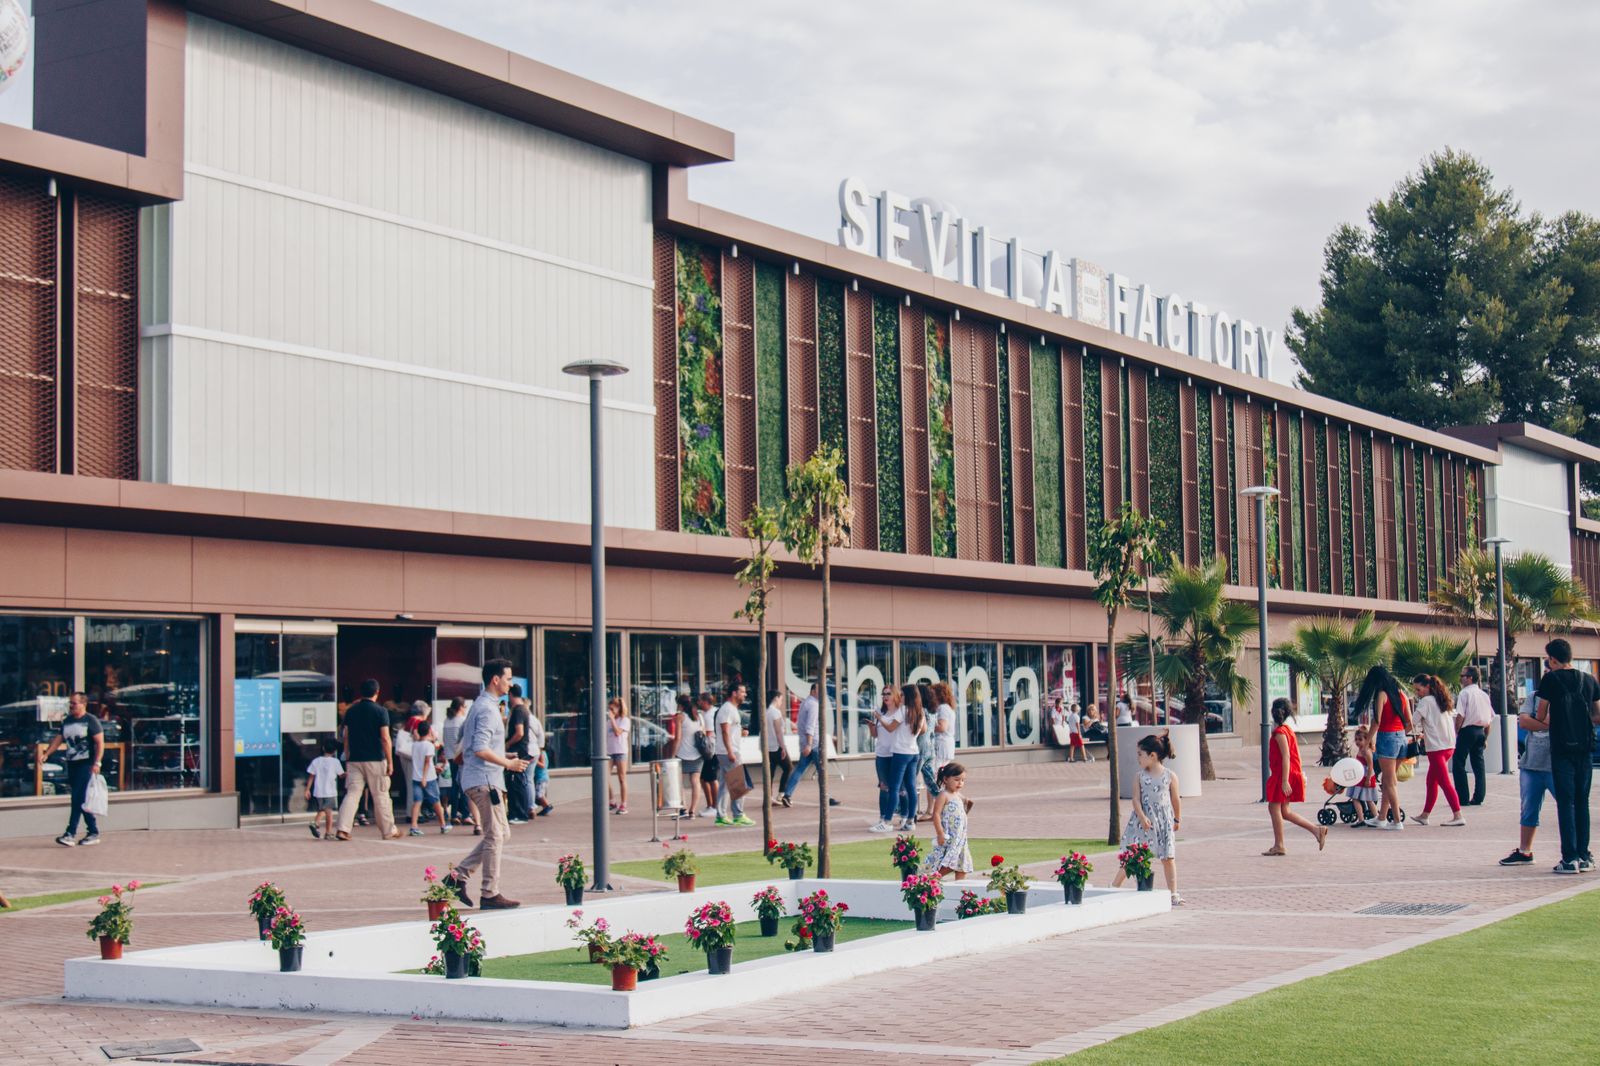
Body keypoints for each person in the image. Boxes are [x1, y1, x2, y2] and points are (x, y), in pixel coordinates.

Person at [443, 659, 529, 910]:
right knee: (495, 835)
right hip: (485, 780)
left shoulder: (482, 706)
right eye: (508, 678)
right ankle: (489, 893)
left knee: (502, 833)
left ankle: (457, 877)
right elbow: (479, 748)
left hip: (483, 778)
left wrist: (505, 756)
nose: (510, 683)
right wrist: (507, 763)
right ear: (495, 680)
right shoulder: (488, 709)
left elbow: (473, 745)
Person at [1532, 638, 1600, 874]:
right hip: (1585, 748)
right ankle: (1585, 855)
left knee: (1566, 803)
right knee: (1582, 801)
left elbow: (1541, 714)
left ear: (1552, 659)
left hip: (1561, 748)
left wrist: (1559, 718)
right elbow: (1597, 714)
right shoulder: (1589, 680)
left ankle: (1569, 858)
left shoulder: (1550, 679)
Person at [1113, 733, 1184, 902]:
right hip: (1143, 822)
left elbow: (1175, 799)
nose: (1138, 758)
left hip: (1163, 822)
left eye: (1140, 754)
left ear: (1152, 755)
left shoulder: (1170, 776)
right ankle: (1114, 886)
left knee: (1168, 857)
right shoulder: (1139, 776)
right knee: (1134, 856)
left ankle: (1173, 893)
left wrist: (1177, 819)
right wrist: (1142, 816)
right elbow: (1136, 799)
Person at [334, 679, 399, 841]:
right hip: (376, 759)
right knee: (381, 795)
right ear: (377, 692)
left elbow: (346, 736)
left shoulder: (351, 711)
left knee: (352, 794)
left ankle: (343, 828)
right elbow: (385, 738)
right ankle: (388, 831)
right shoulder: (381, 711)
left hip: (355, 759)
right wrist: (390, 761)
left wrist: (348, 757)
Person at [1261, 699, 1326, 855]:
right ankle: (1317, 830)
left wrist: (1284, 781)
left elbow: (1286, 756)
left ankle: (1279, 844)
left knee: (1274, 807)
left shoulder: (1280, 733)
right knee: (1285, 811)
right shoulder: (1288, 730)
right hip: (1288, 773)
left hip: (1283, 775)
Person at [1502, 690, 1558, 866]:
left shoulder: (1563, 696)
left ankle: (1576, 851)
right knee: (1528, 809)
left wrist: (1536, 722)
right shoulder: (1534, 696)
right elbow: (1524, 722)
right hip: (1531, 764)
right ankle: (1525, 851)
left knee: (1569, 808)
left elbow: (1557, 723)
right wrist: (1546, 723)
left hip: (1556, 765)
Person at [1352, 664, 1411, 830]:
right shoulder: (1401, 695)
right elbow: (1409, 723)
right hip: (1401, 738)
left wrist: (1367, 743)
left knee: (1389, 782)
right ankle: (1382, 817)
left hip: (1388, 738)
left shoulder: (1381, 695)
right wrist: (1400, 734)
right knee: (1387, 780)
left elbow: (1376, 721)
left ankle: (1397, 820)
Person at [42, 692, 104, 847]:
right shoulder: (67, 721)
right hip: (72, 763)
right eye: (70, 703)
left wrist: (97, 763)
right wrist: (47, 754)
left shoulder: (91, 720)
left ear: (83, 704)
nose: (71, 706)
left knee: (77, 798)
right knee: (81, 799)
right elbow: (59, 739)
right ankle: (93, 831)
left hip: (86, 764)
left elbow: (100, 743)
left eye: (74, 703)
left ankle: (70, 833)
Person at [1408, 674, 1465, 827]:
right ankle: (1425, 815)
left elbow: (1412, 722)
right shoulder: (1442, 700)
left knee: (1444, 782)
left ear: (1427, 687)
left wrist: (1398, 731)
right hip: (1448, 745)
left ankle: (1458, 814)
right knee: (1431, 780)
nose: (1417, 693)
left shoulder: (1426, 701)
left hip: (1436, 747)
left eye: (1418, 689)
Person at [714, 684, 755, 826]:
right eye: (742, 692)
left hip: (727, 751)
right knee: (738, 782)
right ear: (734, 693)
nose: (745, 695)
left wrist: (740, 732)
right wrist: (730, 751)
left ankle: (721, 815)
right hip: (729, 752)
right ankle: (738, 814)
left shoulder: (731, 709)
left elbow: (729, 731)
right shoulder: (726, 710)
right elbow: (724, 731)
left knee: (725, 784)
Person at [925, 761, 973, 879]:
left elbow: (965, 807)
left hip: (960, 837)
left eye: (962, 780)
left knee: (962, 867)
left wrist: (969, 804)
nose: (960, 783)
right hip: (950, 837)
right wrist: (940, 833)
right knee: (948, 864)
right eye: (957, 780)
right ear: (946, 779)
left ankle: (961, 893)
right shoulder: (943, 795)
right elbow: (936, 814)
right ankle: (929, 881)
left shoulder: (958, 795)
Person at [1453, 665, 1493, 806]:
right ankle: (1479, 796)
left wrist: (1456, 731)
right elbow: (1489, 718)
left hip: (1467, 730)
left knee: (1458, 763)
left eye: (1462, 676)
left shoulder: (1465, 693)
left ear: (1469, 678)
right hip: (1480, 731)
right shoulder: (1484, 695)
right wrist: (1485, 737)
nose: (1460, 679)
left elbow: (1460, 715)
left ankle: (1463, 798)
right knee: (1478, 765)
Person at [408, 719, 450, 836]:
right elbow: (427, 762)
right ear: (429, 731)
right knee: (436, 801)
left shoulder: (414, 745)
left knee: (417, 801)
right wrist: (425, 777)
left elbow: (422, 761)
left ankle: (414, 826)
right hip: (429, 778)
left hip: (416, 777)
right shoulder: (429, 746)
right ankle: (442, 825)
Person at [441, 697, 478, 833]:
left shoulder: (447, 721)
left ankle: (454, 814)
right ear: (461, 707)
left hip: (450, 756)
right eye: (465, 707)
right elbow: (464, 741)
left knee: (454, 786)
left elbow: (445, 740)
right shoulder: (462, 721)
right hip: (460, 757)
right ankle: (466, 814)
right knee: (464, 785)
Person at [781, 684, 821, 807]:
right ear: (814, 690)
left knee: (799, 769)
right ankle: (825, 796)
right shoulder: (813, 705)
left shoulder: (805, 702)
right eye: (820, 690)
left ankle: (787, 794)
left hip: (806, 742)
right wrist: (809, 744)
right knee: (822, 770)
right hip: (813, 744)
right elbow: (810, 725)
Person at [868, 687, 899, 832]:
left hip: (895, 753)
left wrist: (880, 719)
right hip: (881, 754)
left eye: (888, 693)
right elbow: (875, 734)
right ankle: (883, 818)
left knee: (899, 787)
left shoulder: (899, 712)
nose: (885, 696)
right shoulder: (880, 712)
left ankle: (904, 816)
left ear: (895, 695)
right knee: (883, 786)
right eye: (883, 694)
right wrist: (871, 726)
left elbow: (892, 729)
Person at [672, 693, 706, 817]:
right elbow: (703, 733)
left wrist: (673, 755)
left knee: (679, 782)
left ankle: (683, 809)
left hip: (682, 754)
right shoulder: (699, 716)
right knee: (695, 782)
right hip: (697, 754)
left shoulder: (680, 717)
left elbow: (677, 738)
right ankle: (692, 810)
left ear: (680, 705)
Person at [304, 738, 343, 839]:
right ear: (335, 751)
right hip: (330, 791)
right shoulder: (335, 762)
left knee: (322, 809)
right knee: (329, 813)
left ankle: (315, 823)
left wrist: (307, 789)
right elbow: (341, 775)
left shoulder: (316, 761)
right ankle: (327, 832)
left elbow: (311, 776)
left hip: (318, 791)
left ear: (323, 748)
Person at [505, 687, 532, 824]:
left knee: (517, 782)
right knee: (514, 782)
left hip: (518, 750)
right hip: (519, 749)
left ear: (510, 694)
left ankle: (520, 814)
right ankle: (516, 813)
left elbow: (519, 733)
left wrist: (508, 744)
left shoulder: (519, 710)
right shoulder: (521, 710)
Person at [1346, 729, 1380, 825]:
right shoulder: (1361, 750)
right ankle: (1367, 818)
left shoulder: (1366, 751)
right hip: (1359, 775)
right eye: (1356, 739)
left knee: (1365, 799)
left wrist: (1368, 779)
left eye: (1360, 739)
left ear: (1367, 739)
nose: (1357, 742)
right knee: (1359, 798)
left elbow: (1370, 766)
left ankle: (1372, 818)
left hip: (1365, 776)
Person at [763, 690, 792, 800]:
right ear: (776, 698)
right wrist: (783, 747)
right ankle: (781, 793)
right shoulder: (775, 712)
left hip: (767, 746)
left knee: (770, 772)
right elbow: (778, 731)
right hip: (776, 746)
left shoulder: (766, 712)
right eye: (781, 699)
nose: (781, 702)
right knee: (788, 767)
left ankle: (769, 796)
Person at [696, 692, 720, 816]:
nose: (698, 702)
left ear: (706, 702)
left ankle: (715, 806)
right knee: (704, 778)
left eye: (700, 700)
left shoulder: (709, 715)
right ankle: (710, 805)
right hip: (709, 751)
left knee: (711, 778)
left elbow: (709, 734)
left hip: (711, 751)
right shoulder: (706, 713)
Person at [526, 703, 553, 816]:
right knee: (538, 793)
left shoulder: (541, 753)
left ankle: (546, 806)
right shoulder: (542, 752)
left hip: (542, 778)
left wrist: (535, 761)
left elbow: (543, 765)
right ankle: (545, 806)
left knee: (539, 795)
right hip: (541, 777)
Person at [606, 697, 631, 815]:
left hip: (620, 751)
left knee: (622, 778)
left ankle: (624, 804)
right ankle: (611, 801)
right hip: (609, 751)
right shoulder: (608, 722)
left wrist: (612, 719)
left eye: (612, 709)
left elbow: (617, 732)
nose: (610, 711)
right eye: (609, 709)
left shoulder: (624, 720)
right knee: (604, 778)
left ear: (618, 708)